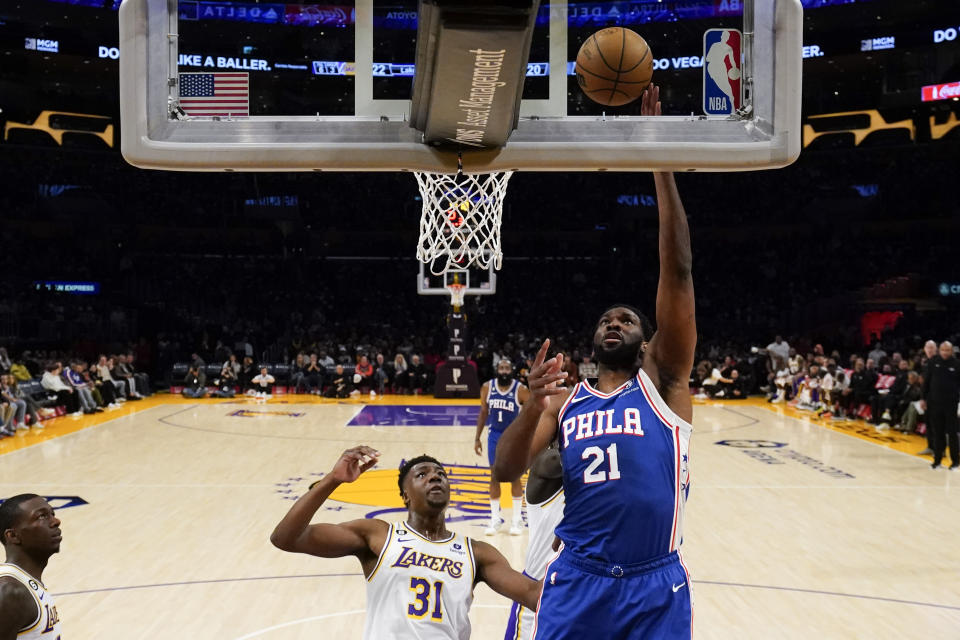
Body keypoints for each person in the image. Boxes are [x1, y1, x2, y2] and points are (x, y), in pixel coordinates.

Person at [493, 83, 694, 640]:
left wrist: (659, 161)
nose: (615, 323)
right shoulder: (564, 401)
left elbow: (677, 273)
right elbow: (506, 471)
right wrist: (533, 405)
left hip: (655, 582)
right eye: (607, 318)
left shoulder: (665, 385)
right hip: (578, 578)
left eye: (628, 319)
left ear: (649, 342)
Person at [270, 446, 541, 640]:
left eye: (440, 474)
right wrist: (332, 480)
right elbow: (285, 538)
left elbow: (533, 595)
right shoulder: (377, 535)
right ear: (405, 496)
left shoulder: (478, 553)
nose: (435, 476)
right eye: (422, 474)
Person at [503, 443, 564, 640]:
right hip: (538, 595)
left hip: (582, 590)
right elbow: (556, 461)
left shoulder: (602, 480)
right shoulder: (544, 465)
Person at [474, 359, 529, 536]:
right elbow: (483, 413)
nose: (504, 371)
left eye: (507, 368)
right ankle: (495, 518)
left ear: (511, 370)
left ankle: (516, 519)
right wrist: (477, 438)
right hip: (494, 436)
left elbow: (530, 414)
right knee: (494, 476)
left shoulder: (520, 389)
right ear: (496, 370)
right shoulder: (486, 387)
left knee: (514, 476)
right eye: (501, 368)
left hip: (513, 438)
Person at [0, 494, 63, 639]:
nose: (56, 521)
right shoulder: (9, 591)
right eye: (41, 517)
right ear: (13, 536)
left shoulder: (25, 583)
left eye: (52, 514)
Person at [924, 341, 960, 470]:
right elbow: (926, 382)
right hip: (935, 404)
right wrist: (923, 399)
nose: (945, 352)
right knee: (937, 433)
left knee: (952, 434)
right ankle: (937, 461)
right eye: (943, 350)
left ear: (952, 351)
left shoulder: (957, 364)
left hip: (951, 405)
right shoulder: (933, 363)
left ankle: (955, 462)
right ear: (939, 350)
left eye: (947, 350)